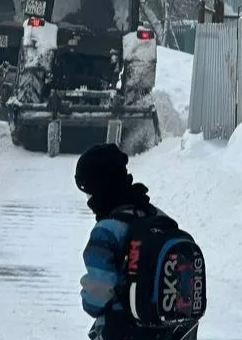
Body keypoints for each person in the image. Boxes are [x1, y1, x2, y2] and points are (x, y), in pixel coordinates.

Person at [75, 144, 204, 340]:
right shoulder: (157, 216)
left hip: (124, 330)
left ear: (100, 187)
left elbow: (98, 291)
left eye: (89, 192)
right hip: (171, 330)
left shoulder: (106, 230)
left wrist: (89, 303)